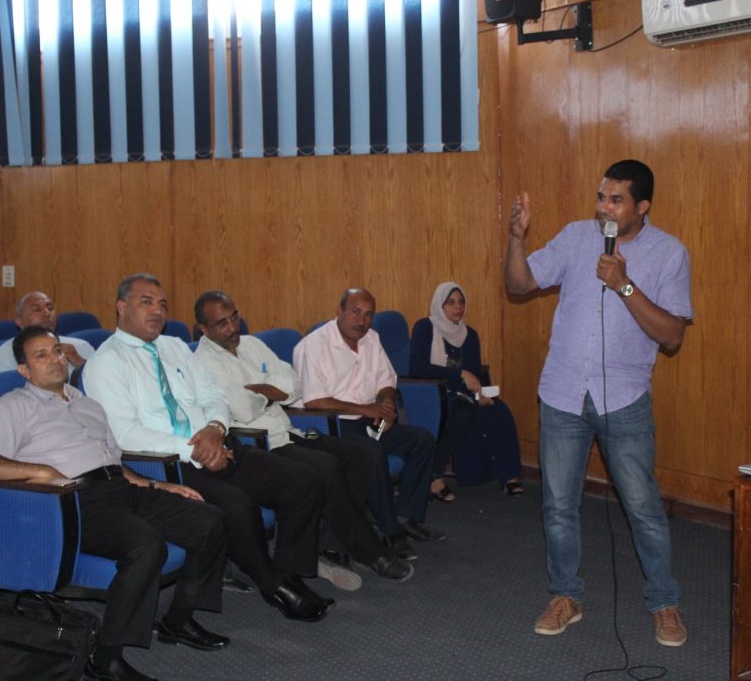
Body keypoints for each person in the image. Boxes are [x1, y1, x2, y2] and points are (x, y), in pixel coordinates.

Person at [0, 326, 230, 681]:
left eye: (57, 351)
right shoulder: (12, 407)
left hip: (119, 488)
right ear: (24, 371)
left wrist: (158, 485)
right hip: (72, 502)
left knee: (209, 520)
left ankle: (177, 620)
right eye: (41, 355)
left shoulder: (87, 404)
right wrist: (41, 472)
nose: (54, 360)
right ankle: (105, 660)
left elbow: (113, 463)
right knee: (146, 546)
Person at [503, 159, 692, 647]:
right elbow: (519, 285)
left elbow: (672, 335)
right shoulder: (575, 237)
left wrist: (623, 284)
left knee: (643, 507)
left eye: (616, 200)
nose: (604, 208)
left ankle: (664, 602)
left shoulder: (670, 253)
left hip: (624, 399)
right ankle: (565, 596)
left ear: (642, 206)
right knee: (558, 506)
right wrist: (517, 239)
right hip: (562, 394)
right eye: (601, 197)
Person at [84, 274, 335, 623]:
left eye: (162, 304)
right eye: (146, 302)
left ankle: (289, 572)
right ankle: (274, 586)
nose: (157, 311)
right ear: (121, 307)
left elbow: (213, 395)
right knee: (237, 504)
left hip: (218, 443)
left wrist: (215, 429)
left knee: (302, 481)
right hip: (167, 463)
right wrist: (196, 449)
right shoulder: (105, 363)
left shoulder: (174, 347)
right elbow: (125, 434)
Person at [193, 291, 413, 585]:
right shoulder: (204, 362)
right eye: (222, 323)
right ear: (203, 329)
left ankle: (328, 543)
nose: (233, 327)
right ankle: (370, 552)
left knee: (360, 455)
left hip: (288, 431)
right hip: (256, 444)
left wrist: (263, 391)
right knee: (326, 467)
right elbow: (243, 410)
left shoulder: (252, 345)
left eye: (234, 318)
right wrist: (273, 392)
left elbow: (294, 384)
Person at [292, 288, 444, 562]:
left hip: (368, 420)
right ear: (339, 312)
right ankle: (391, 532)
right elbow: (315, 401)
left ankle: (405, 517)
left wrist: (386, 405)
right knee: (372, 454)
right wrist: (366, 409)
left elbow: (387, 380)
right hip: (330, 426)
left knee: (421, 441)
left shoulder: (371, 339)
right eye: (355, 312)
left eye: (368, 315)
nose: (362, 321)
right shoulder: (313, 345)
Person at [409, 283, 523, 500]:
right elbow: (418, 368)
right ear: (439, 304)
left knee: (499, 409)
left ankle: (509, 475)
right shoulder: (425, 328)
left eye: (461, 302)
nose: (458, 307)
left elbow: (475, 373)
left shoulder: (469, 334)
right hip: (434, 393)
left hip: (465, 392)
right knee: (463, 412)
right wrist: (459, 373)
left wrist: (481, 393)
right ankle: (434, 475)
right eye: (451, 302)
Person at [0, 291, 95, 375]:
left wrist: (79, 362)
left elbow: (99, 383)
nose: (46, 313)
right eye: (36, 310)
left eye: (50, 308)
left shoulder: (81, 346)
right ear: (19, 321)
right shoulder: (4, 355)